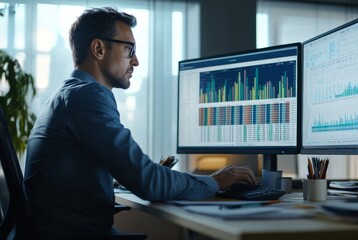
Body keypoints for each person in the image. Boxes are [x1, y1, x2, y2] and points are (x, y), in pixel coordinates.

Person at [23, 7, 256, 239]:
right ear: (98, 49)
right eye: (129, 49)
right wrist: (215, 182)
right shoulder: (87, 96)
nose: (136, 61)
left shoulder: (70, 94)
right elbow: (148, 182)